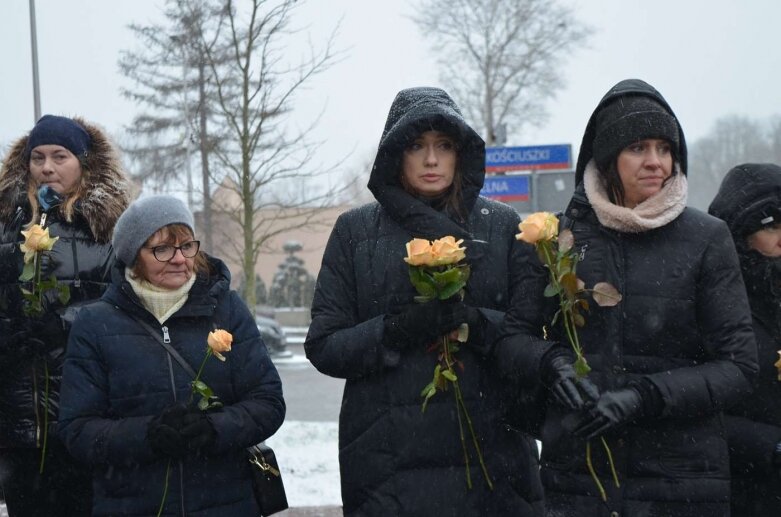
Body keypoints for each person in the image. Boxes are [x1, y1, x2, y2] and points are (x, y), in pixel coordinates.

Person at [498, 79, 758, 517]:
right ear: (607, 156)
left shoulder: (707, 238)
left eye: (664, 148)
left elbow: (739, 366)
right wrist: (552, 362)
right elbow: (511, 341)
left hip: (682, 479)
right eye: (638, 147)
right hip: (579, 477)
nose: (655, 162)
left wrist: (646, 396)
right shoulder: (557, 238)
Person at [304, 86, 545, 516]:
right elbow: (325, 345)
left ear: (462, 153)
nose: (432, 160)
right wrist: (395, 330)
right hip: (387, 466)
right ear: (396, 153)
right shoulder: (355, 233)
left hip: (493, 459)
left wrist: (473, 322)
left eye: (444, 145)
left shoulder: (504, 226)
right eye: (417, 145)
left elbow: (530, 340)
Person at [57, 195, 286, 516]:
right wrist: (146, 436)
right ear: (134, 256)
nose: (179, 258)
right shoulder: (95, 323)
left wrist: (213, 429)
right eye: (162, 249)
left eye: (187, 245)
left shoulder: (227, 308)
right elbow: (77, 430)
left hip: (225, 502)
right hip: (131, 504)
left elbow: (268, 402)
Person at [0, 114, 130, 516]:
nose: (47, 167)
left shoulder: (110, 230)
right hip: (22, 423)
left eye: (60, 156)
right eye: (37, 157)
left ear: (84, 163)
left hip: (87, 418)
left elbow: (128, 308)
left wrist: (68, 324)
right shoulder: (7, 225)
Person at [709, 163, 781, 516]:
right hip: (743, 494)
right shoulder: (714, 302)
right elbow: (695, 411)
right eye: (771, 227)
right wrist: (770, 446)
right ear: (740, 232)